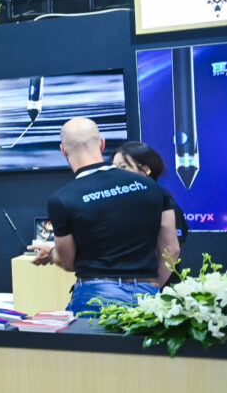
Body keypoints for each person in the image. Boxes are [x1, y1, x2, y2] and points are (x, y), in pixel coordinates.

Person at [31, 119, 180, 314]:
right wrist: (152, 288)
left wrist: (51, 254)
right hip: (147, 294)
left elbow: (68, 262)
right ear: (102, 144)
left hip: (95, 296)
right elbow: (172, 249)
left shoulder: (62, 199)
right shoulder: (152, 187)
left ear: (63, 150)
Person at [112, 141, 189, 245]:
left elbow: (171, 249)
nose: (116, 173)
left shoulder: (164, 202)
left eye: (123, 167)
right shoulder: (114, 202)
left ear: (145, 170)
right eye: (114, 168)